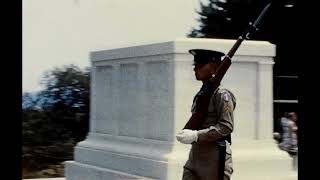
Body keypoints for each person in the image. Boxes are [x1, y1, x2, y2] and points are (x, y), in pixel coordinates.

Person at [176, 49, 236, 180]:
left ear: (214, 68)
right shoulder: (201, 94)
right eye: (195, 65)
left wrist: (197, 135)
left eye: (200, 65)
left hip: (214, 158)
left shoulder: (222, 94)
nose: (195, 69)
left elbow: (226, 126)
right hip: (195, 156)